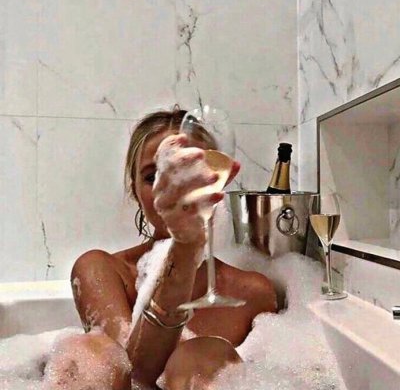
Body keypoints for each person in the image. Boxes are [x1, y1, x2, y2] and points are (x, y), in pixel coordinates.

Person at [43, 107, 277, 390]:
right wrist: (185, 249)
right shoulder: (101, 271)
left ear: (216, 180)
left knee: (205, 356)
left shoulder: (253, 294)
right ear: (134, 190)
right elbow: (133, 375)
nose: (170, 188)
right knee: (89, 352)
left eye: (188, 172)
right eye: (152, 176)